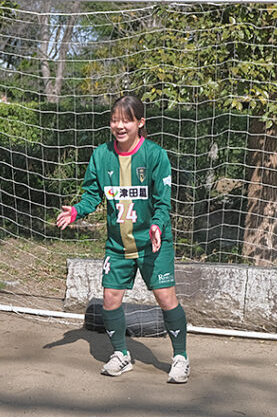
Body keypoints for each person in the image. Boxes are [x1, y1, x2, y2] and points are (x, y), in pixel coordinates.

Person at [56, 94, 190, 383]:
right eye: (114, 120)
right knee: (110, 298)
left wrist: (156, 225)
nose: (119, 125)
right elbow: (92, 195)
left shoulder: (155, 155)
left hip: (153, 242)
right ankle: (121, 354)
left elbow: (163, 202)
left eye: (126, 120)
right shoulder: (101, 156)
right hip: (118, 244)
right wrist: (76, 211)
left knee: (166, 298)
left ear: (140, 123)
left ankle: (180, 358)